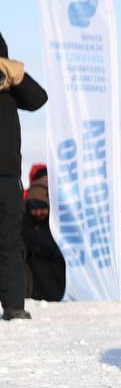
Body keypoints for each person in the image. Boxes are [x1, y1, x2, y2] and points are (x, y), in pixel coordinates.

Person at [1, 33, 48, 321]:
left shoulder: (11, 89)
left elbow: (38, 98)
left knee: (8, 241)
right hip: (7, 176)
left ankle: (14, 305)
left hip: (7, 177)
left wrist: (16, 75)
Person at [20, 177, 65, 302]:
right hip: (29, 290)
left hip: (55, 289)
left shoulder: (60, 226)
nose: (38, 212)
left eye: (43, 207)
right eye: (33, 207)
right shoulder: (22, 223)